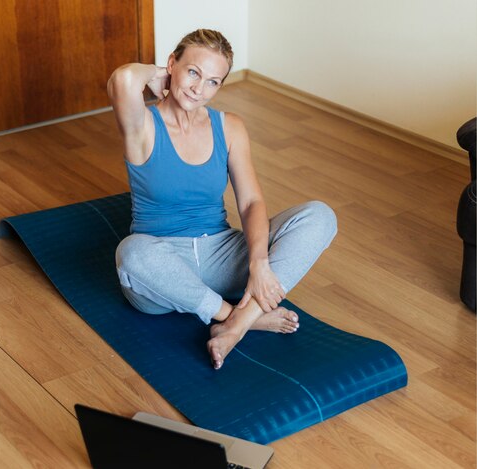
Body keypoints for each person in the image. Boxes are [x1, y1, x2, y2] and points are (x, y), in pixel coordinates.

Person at [107, 29, 337, 370]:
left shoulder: (229, 127)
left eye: (213, 81)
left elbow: (250, 203)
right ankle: (243, 318)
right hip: (163, 265)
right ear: (173, 63)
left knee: (320, 215)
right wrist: (158, 76)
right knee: (130, 253)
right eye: (193, 72)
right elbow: (124, 78)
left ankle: (237, 323)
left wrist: (258, 263)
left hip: (223, 255)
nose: (200, 89)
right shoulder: (143, 126)